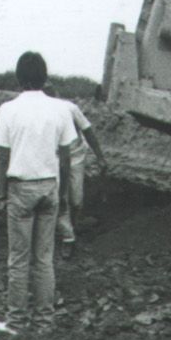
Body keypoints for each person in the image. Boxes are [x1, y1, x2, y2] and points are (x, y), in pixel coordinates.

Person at [0, 52, 77, 335]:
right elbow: (66, 158)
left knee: (18, 260)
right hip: (49, 186)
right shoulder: (60, 110)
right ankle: (44, 322)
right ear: (45, 77)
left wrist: (2, 193)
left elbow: (2, 157)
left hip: (21, 188)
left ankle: (16, 322)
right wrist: (63, 194)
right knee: (44, 259)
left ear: (18, 78)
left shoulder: (8, 110)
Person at [44, 85, 108, 261]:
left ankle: (72, 224)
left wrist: (100, 156)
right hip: (54, 157)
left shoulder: (70, 109)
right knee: (60, 198)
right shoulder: (39, 112)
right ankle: (68, 237)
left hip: (76, 155)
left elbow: (88, 131)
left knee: (76, 200)